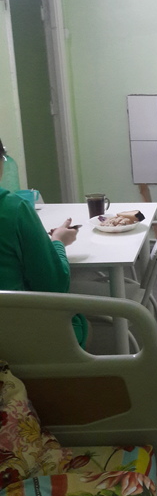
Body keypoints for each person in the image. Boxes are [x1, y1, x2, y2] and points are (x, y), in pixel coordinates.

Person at [0, 138, 88, 347]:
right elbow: (53, 285)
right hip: (17, 337)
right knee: (81, 325)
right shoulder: (14, 209)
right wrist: (58, 241)